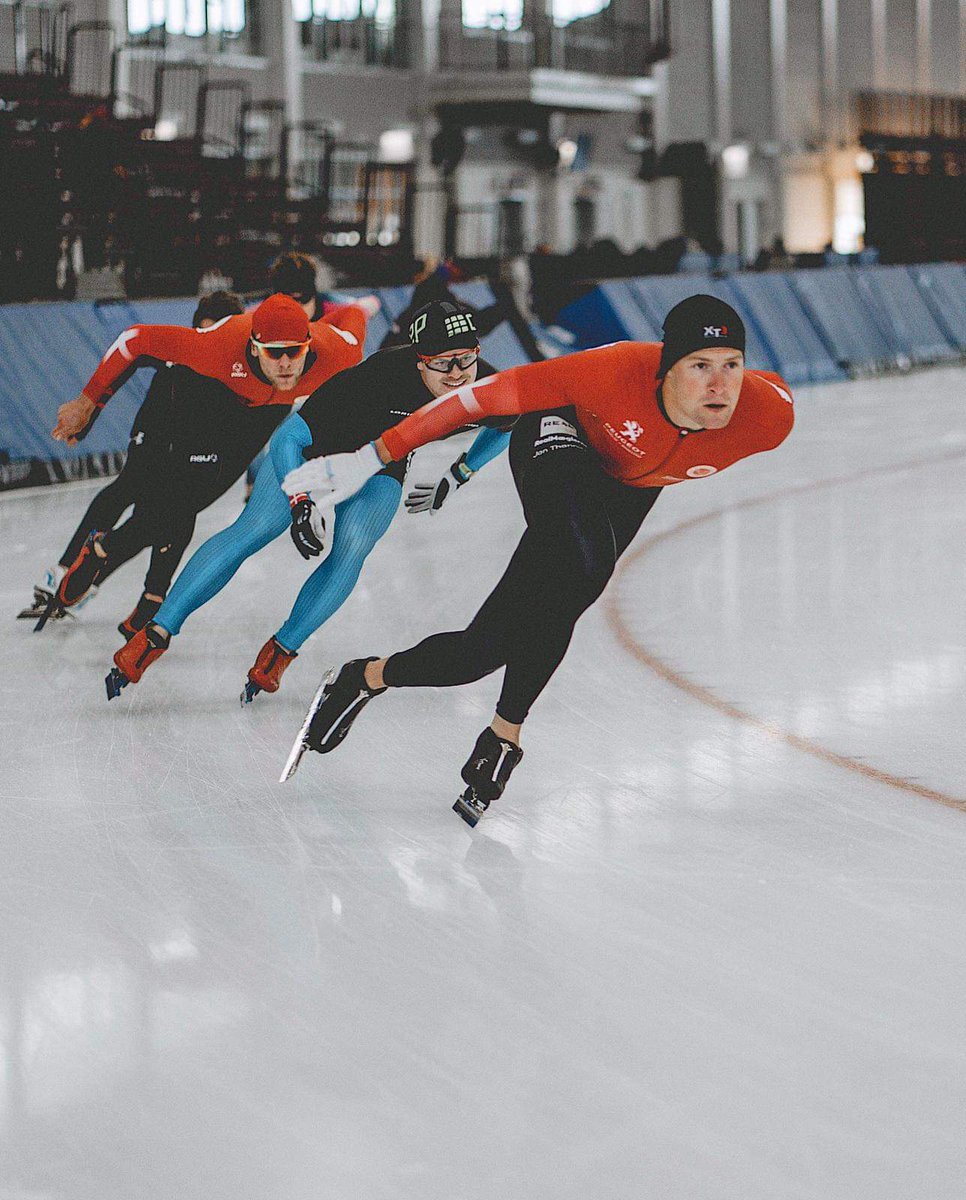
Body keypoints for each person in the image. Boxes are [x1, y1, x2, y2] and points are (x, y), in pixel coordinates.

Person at [279, 295, 795, 826]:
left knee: (481, 653)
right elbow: (476, 400)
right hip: (559, 434)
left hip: (629, 483)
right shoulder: (609, 371)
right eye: (700, 366)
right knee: (584, 561)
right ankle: (505, 735)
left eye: (731, 365)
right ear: (666, 368)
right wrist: (372, 457)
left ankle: (365, 679)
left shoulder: (768, 418)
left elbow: (773, 388)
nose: (719, 385)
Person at [104, 301, 513, 702]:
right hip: (314, 450)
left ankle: (282, 650)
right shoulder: (378, 377)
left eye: (466, 358)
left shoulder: (483, 384)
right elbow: (288, 439)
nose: (458, 374)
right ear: (420, 360)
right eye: (444, 363)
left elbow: (510, 420)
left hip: (381, 463)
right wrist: (300, 502)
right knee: (258, 529)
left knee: (353, 546)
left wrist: (461, 472)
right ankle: (158, 631)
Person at [43, 292, 374, 627]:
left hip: (257, 418)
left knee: (189, 503)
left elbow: (353, 314)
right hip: (224, 404)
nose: (286, 364)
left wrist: (325, 323)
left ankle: (116, 561)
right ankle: (130, 578)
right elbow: (135, 340)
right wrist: (87, 403)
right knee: (159, 495)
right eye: (275, 353)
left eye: (295, 351)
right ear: (256, 347)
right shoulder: (216, 347)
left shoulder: (339, 353)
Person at [19, 290, 261, 632]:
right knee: (127, 487)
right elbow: (128, 357)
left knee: (164, 516)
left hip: (193, 447)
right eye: (203, 333)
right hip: (154, 434)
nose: (208, 345)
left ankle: (135, 590)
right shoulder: (183, 345)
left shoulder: (241, 362)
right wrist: (90, 411)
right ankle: (64, 570)